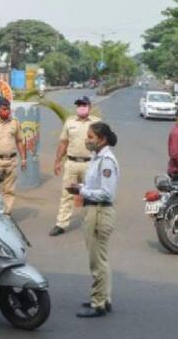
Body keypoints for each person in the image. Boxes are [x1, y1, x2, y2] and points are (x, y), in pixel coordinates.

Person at [66, 122, 119, 318]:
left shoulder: (106, 161)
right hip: (94, 210)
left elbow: (106, 193)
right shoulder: (97, 157)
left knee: (97, 261)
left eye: (90, 137)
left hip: (99, 212)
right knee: (101, 259)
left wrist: (81, 190)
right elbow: (95, 185)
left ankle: (97, 304)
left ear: (102, 139)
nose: (87, 140)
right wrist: (81, 186)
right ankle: (104, 298)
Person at [49, 95, 101, 236]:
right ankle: (61, 224)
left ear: (89, 107)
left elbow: (104, 144)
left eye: (84, 105)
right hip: (71, 163)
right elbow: (63, 143)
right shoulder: (70, 122)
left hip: (90, 164)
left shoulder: (97, 123)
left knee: (91, 196)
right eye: (79, 105)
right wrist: (57, 161)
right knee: (67, 195)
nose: (81, 107)